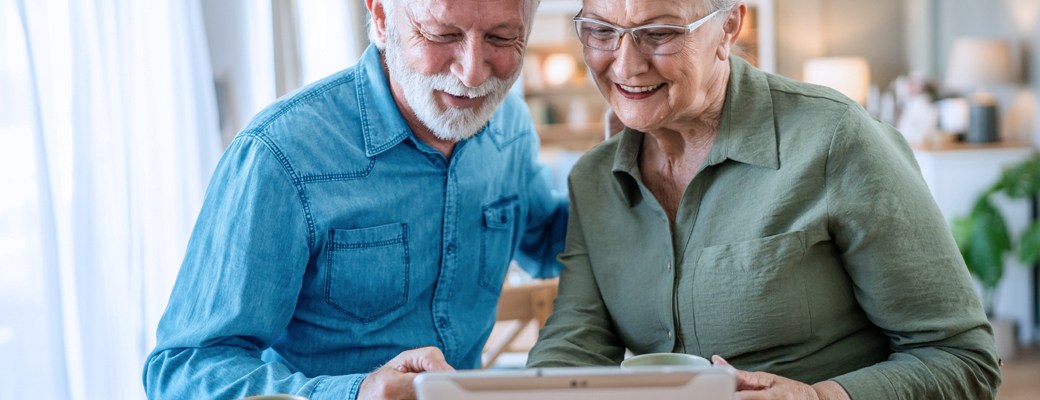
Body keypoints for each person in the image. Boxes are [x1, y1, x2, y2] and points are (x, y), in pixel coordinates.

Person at [525, 0, 1001, 399]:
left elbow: (964, 359)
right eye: (601, 31)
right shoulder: (593, 179)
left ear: (730, 25)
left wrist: (819, 397)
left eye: (660, 32)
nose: (625, 64)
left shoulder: (834, 139)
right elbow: (574, 347)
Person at [143, 0, 566, 399]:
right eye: (441, 33)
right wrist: (353, 393)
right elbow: (182, 369)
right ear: (381, 16)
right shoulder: (281, 154)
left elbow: (552, 244)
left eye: (500, 38)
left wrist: (626, 154)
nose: (473, 73)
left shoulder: (510, 127)